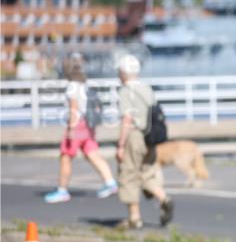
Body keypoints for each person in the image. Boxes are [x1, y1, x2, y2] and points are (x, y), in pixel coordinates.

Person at [44, 57, 118, 203]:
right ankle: (110, 183)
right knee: (92, 153)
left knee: (66, 157)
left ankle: (62, 190)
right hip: (88, 124)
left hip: (77, 124)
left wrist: (71, 129)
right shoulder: (84, 84)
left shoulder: (71, 86)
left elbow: (73, 108)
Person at [115, 54, 173, 229]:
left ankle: (134, 217)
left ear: (123, 72)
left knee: (129, 174)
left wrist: (121, 145)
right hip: (151, 138)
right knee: (147, 171)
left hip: (135, 136)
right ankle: (164, 198)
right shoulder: (147, 89)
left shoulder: (125, 91)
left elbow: (127, 119)